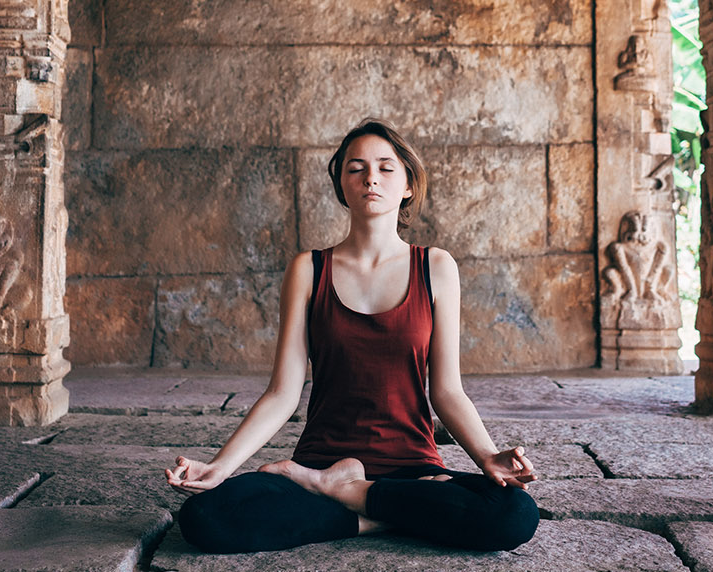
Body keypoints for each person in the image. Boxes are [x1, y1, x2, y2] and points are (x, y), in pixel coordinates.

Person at [164, 119, 540, 554]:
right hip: (321, 459)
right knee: (206, 519)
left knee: (514, 514)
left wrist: (487, 457)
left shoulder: (436, 267)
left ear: (407, 185)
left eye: (385, 167)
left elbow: (447, 391)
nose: (370, 178)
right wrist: (221, 466)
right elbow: (283, 393)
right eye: (355, 169)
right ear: (342, 186)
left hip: (412, 469)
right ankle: (390, 510)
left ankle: (344, 495)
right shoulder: (309, 269)